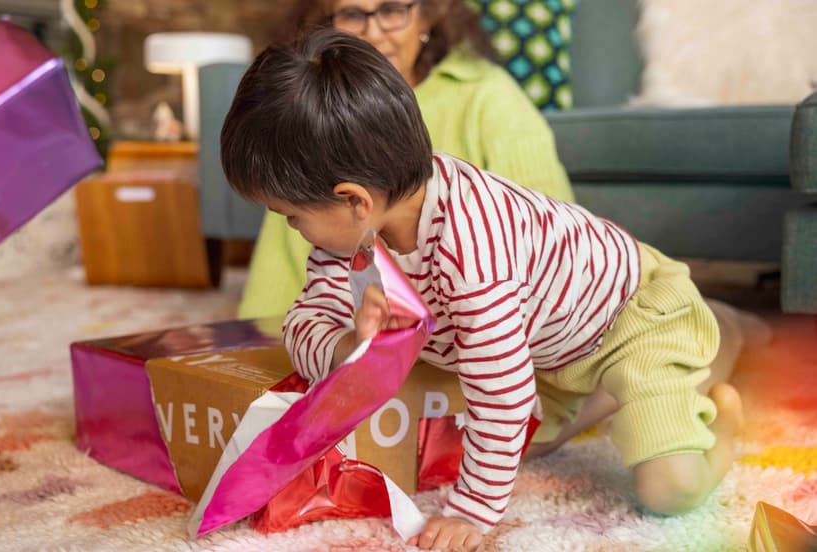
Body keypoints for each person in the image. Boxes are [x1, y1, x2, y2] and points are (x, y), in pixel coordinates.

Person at [220, 29, 745, 551]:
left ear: (354, 200)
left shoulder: (471, 249)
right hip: (550, 345)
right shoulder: (350, 236)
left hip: (632, 315)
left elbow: (501, 394)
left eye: (292, 217)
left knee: (669, 489)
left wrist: (471, 513)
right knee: (519, 446)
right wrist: (347, 342)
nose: (294, 230)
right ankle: (614, 386)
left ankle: (723, 345)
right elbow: (304, 320)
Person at [238, 0, 574, 319]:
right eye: (353, 14)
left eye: (391, 10)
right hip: (345, 325)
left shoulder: (489, 95)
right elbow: (283, 252)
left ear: (426, 16)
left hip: (483, 327)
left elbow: (548, 245)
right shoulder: (309, 117)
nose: (373, 32)